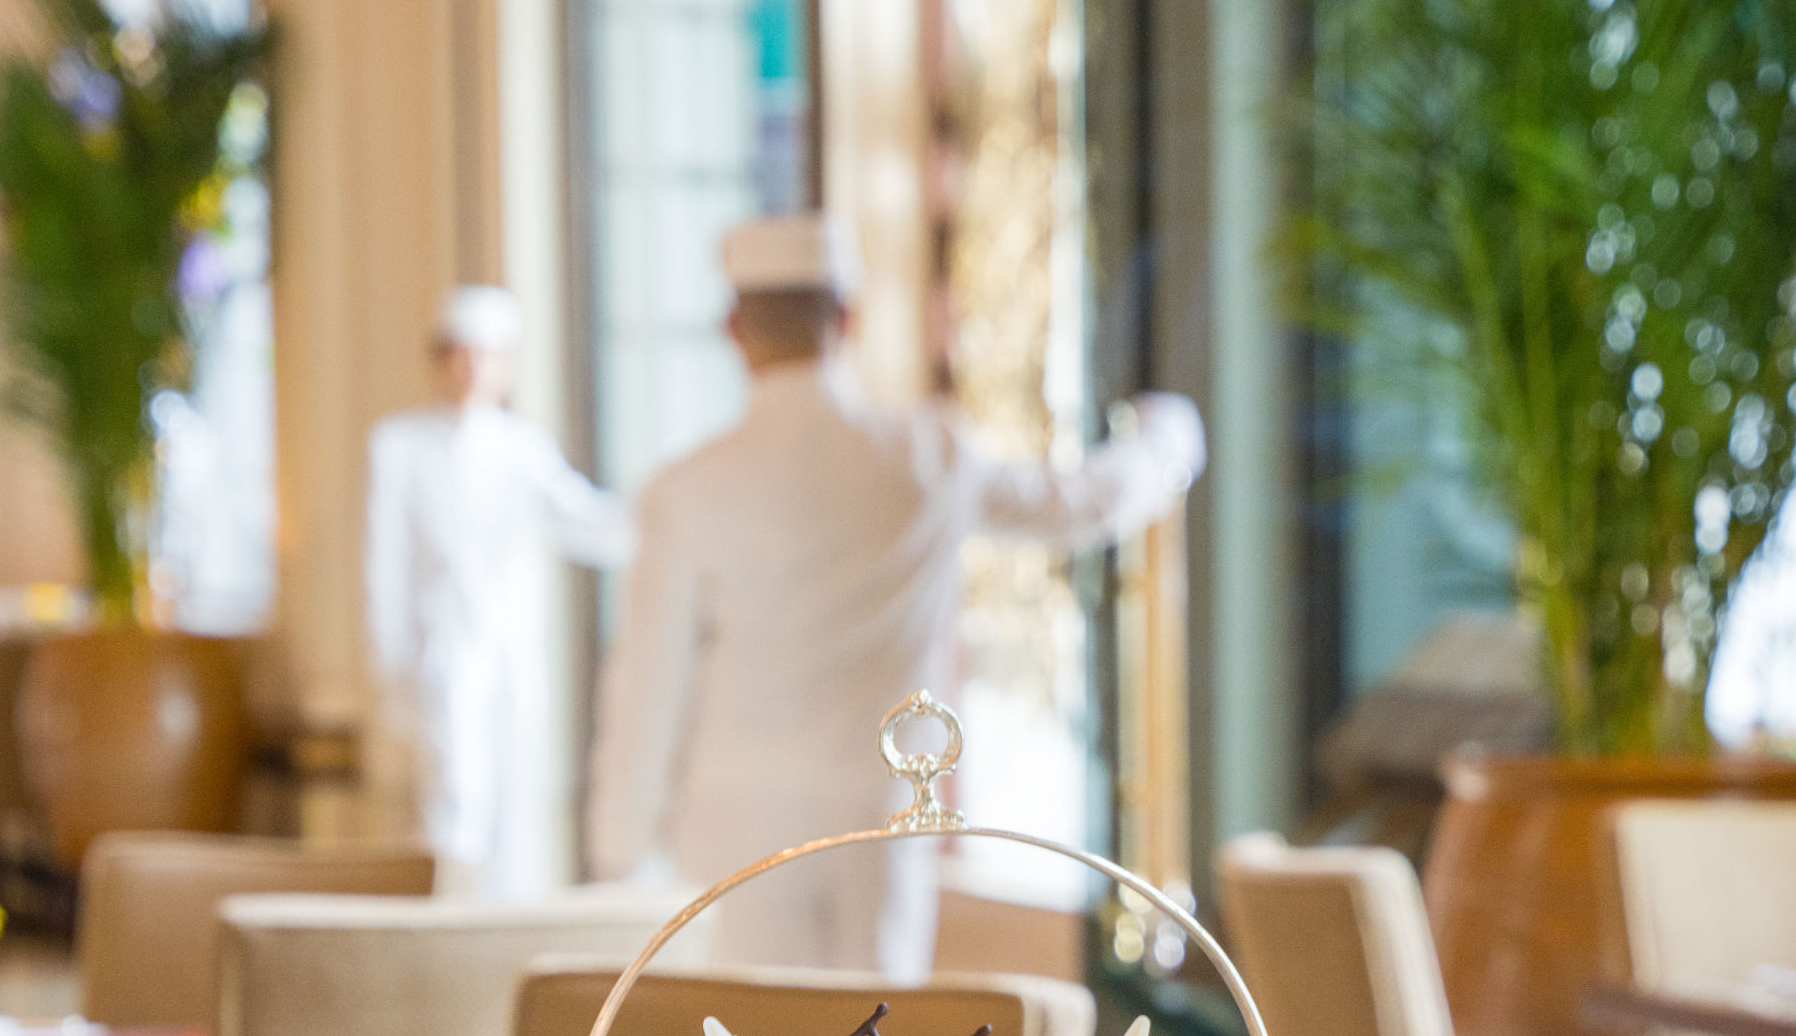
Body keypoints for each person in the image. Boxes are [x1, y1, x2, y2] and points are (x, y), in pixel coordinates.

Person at [583, 212, 1205, 975]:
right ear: (847, 320)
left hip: (730, 822)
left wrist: (617, 849)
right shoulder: (927, 456)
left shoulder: (686, 490)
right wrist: (1163, 442)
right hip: (876, 818)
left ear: (733, 331)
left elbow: (647, 682)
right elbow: (1077, 501)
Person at [365, 284, 632, 898]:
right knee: (456, 797)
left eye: (485, 355)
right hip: (444, 654)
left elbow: (584, 522)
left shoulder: (522, 447)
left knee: (519, 798)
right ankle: (444, 931)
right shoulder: (399, 446)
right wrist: (389, 672)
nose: (471, 369)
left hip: (514, 652)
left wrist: (663, 512)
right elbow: (384, 570)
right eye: (458, 354)